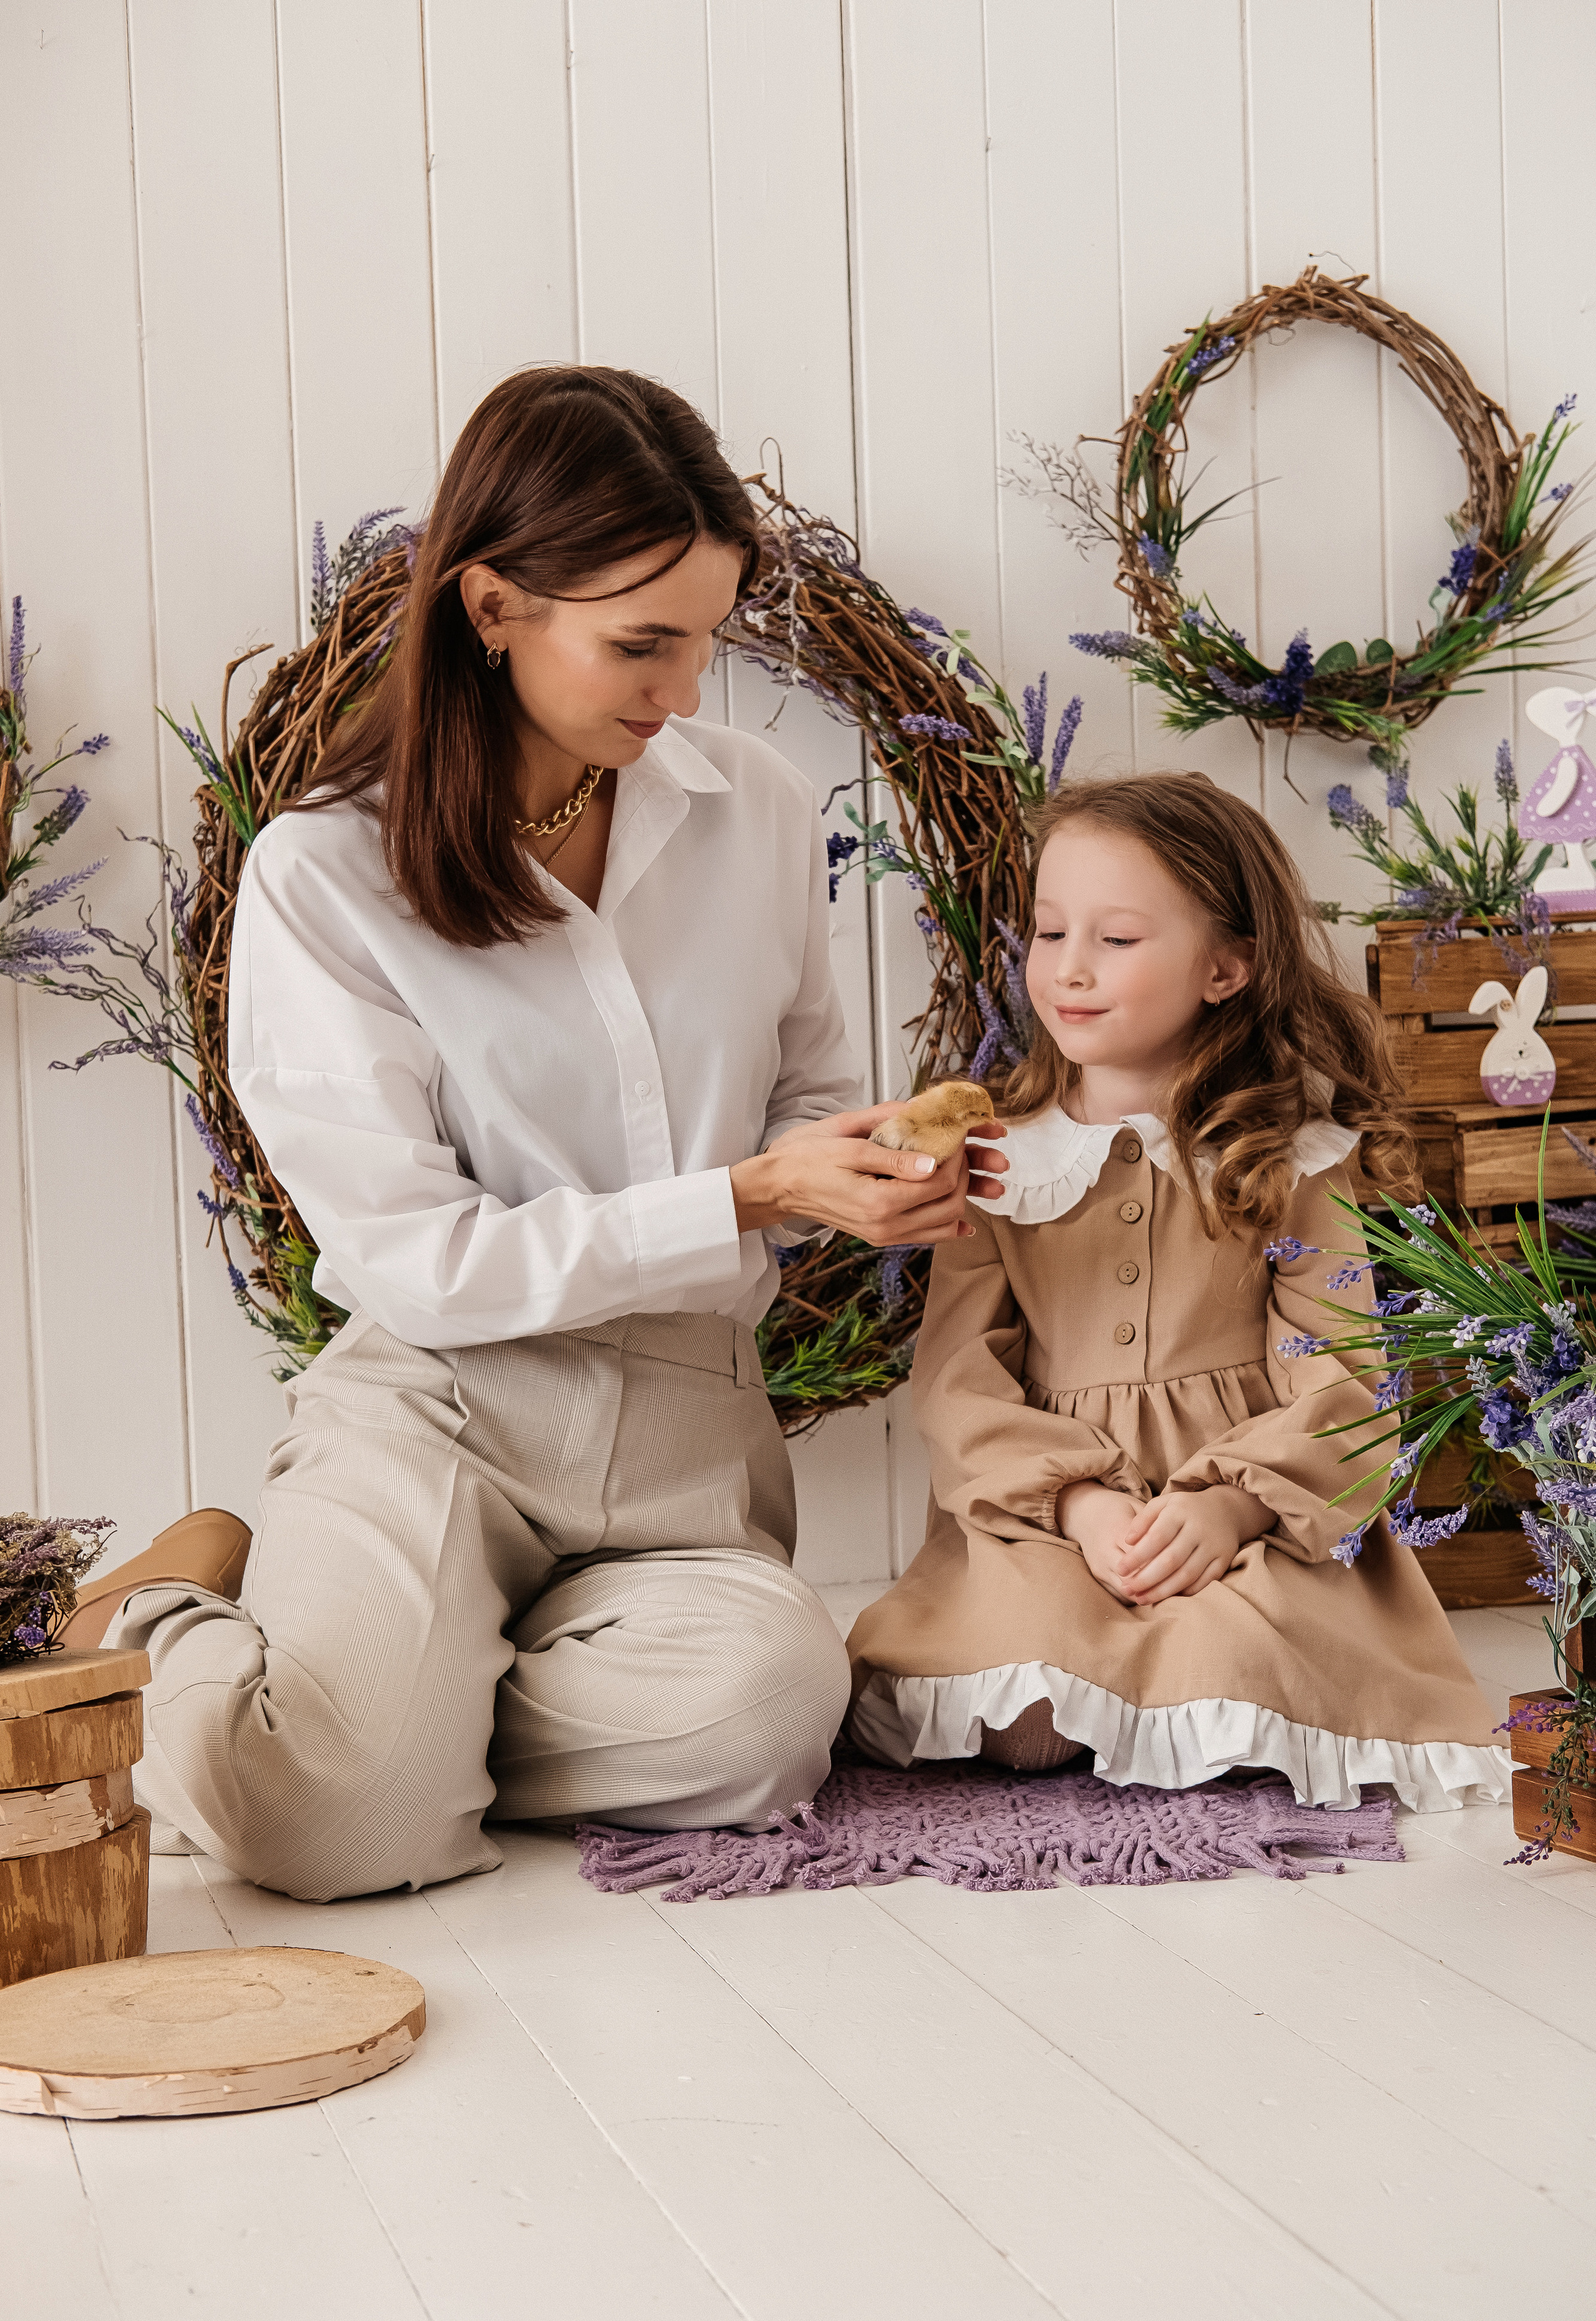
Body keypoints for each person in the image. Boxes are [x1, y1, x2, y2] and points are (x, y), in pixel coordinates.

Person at [79, 365, 1005, 1900]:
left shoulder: (755, 807)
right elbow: (417, 1264)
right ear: (492, 606)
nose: (682, 688)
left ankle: (388, 1714)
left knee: (769, 1721)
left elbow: (797, 1085)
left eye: (706, 638)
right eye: (640, 642)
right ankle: (165, 1619)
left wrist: (854, 1175)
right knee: (326, 1840)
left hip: (686, 1419)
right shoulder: (324, 875)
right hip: (437, 1407)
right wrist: (750, 1191)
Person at [847, 772, 1510, 1811]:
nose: (1068, 970)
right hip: (1051, 1511)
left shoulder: (1294, 1150)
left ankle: (1195, 1665)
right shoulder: (994, 1154)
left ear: (1226, 966)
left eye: (1115, 941)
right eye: (1049, 933)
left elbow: (1345, 1367)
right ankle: (1107, 1661)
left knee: (1233, 1669)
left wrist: (1234, 1508)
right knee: (1022, 1717)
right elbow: (959, 1376)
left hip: (1248, 1504)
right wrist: (1078, 1500)